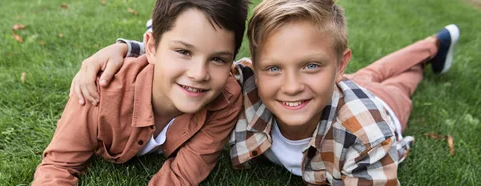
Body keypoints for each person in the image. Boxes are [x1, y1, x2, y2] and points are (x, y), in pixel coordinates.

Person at [71, 0, 460, 184]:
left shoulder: (367, 134)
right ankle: (432, 43)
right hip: (335, 87)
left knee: (398, 84)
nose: (289, 85)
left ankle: (429, 53)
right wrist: (122, 48)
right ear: (254, 68)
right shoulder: (243, 80)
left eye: (311, 64)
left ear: (337, 65)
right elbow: (189, 60)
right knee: (372, 72)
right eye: (274, 68)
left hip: (378, 106)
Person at [32, 0, 248, 185]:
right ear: (151, 48)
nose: (199, 74)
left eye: (218, 59)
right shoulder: (98, 91)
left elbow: (182, 176)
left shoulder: (226, 98)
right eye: (183, 52)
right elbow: (59, 166)